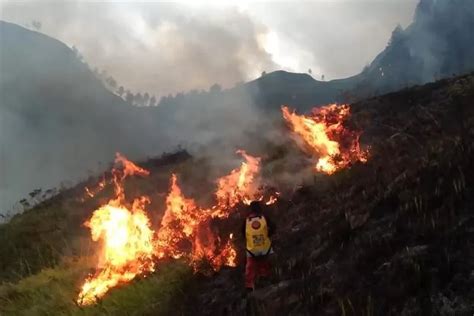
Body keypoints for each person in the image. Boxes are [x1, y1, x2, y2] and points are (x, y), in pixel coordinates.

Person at [243, 201, 275, 291]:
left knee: (250, 267)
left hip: (252, 250)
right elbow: (273, 227)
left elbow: (243, 233)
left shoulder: (247, 221)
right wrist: (267, 235)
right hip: (265, 248)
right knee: (265, 265)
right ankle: (267, 282)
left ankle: (249, 287)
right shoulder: (264, 218)